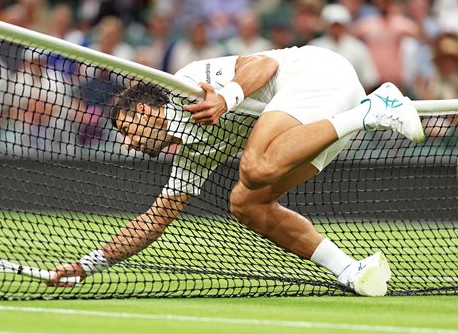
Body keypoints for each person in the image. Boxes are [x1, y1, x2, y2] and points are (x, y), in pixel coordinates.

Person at [48, 45, 425, 296]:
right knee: (247, 202)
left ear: (144, 111)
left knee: (255, 169)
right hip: (320, 119)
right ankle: (349, 269)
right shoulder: (192, 157)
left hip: (320, 75)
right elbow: (154, 219)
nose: (128, 144)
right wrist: (87, 266)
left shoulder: (185, 84)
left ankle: (373, 110)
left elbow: (263, 64)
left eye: (128, 131)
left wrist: (227, 97)